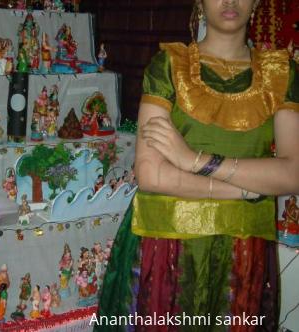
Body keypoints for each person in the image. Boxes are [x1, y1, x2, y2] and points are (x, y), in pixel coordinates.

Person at [95, 0, 299, 331]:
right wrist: (245, 191)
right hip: (165, 250)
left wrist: (195, 161)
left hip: (242, 252)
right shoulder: (168, 66)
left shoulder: (282, 73)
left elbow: (293, 173)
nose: (230, 2)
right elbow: (151, 174)